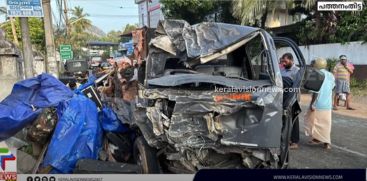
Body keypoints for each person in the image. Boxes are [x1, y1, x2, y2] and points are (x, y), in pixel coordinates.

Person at [304, 58, 335, 149]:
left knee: (311, 120)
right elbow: (332, 88)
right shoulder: (331, 75)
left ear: (316, 65)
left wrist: (312, 104)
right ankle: (326, 142)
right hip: (327, 104)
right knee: (326, 123)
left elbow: (315, 91)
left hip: (318, 103)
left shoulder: (315, 74)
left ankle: (317, 138)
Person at [280, 53, 300, 149]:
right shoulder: (282, 70)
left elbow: (296, 86)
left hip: (292, 98)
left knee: (293, 120)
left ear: (291, 60)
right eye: (283, 61)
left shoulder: (297, 71)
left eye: (285, 61)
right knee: (284, 119)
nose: (283, 63)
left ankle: (295, 142)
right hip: (282, 97)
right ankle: (286, 139)